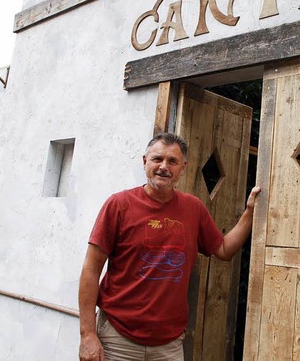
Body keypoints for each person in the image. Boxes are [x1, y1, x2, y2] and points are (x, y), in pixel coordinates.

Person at [78, 132, 261, 361]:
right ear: (145, 161)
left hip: (169, 345)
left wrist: (250, 212)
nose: (164, 167)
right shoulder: (119, 205)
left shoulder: (193, 208)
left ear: (182, 168)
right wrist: (87, 335)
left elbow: (223, 250)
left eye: (172, 161)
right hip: (117, 339)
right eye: (157, 159)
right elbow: (91, 269)